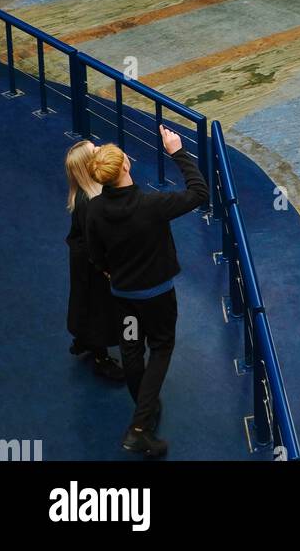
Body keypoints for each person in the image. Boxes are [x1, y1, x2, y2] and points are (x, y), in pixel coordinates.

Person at [85, 125, 209, 458]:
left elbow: (95, 255)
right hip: (157, 296)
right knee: (162, 346)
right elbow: (200, 193)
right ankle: (139, 427)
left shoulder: (94, 210)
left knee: (131, 348)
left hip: (124, 296)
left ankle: (145, 407)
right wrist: (177, 152)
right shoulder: (152, 204)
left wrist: (112, 272)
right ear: (125, 166)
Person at [65, 141, 124, 382]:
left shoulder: (84, 196)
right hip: (92, 266)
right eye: (95, 150)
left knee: (86, 304)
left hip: (84, 261)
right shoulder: (90, 203)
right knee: (99, 309)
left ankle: (83, 340)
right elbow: (96, 242)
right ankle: (101, 358)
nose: (100, 148)